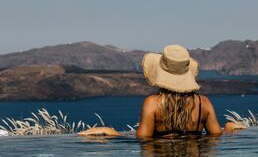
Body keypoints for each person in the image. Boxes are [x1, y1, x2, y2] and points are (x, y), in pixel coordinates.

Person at [78, 44, 245, 138]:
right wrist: (229, 128)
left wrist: (111, 132)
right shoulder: (204, 103)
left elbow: (143, 140)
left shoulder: (153, 104)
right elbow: (216, 137)